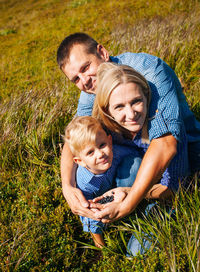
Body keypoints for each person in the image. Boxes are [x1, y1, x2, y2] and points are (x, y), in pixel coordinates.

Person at [57, 32, 200, 223]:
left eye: (86, 67)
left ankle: (145, 202)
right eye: (75, 79)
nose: (84, 81)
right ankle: (100, 213)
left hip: (178, 153)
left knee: (139, 248)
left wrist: (129, 202)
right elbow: (75, 137)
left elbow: (166, 144)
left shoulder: (149, 72)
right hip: (133, 152)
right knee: (83, 167)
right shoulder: (90, 89)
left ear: (102, 52)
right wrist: (67, 186)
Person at [90, 62, 200, 256]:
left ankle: (142, 211)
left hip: (170, 193)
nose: (131, 114)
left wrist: (129, 193)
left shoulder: (164, 132)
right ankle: (129, 210)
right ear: (107, 110)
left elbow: (176, 189)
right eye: (119, 106)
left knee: (135, 254)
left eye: (136, 101)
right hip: (142, 183)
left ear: (147, 97)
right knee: (128, 167)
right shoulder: (108, 130)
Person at [64, 116, 141, 248]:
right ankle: (101, 244)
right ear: (80, 161)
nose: (100, 154)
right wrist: (99, 243)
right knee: (94, 212)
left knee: (135, 162)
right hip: (99, 199)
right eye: (90, 152)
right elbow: (88, 214)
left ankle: (133, 207)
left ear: (109, 141)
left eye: (102, 145)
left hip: (117, 187)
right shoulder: (84, 183)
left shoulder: (115, 152)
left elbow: (136, 153)